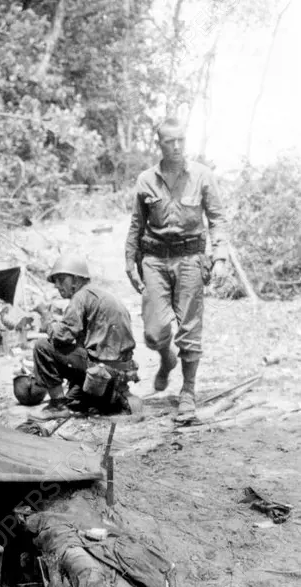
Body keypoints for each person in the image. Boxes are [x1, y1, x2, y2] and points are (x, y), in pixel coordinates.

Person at [125, 119, 228, 422]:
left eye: (181, 140)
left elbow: (218, 219)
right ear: (159, 144)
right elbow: (136, 223)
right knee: (154, 332)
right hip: (154, 261)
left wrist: (220, 256)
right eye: (170, 141)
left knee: (190, 329)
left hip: (190, 259)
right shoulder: (146, 179)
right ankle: (166, 358)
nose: (177, 146)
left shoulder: (202, 176)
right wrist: (129, 260)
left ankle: (188, 392)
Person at [15, 254, 139, 416]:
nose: (58, 286)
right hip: (117, 374)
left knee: (42, 346)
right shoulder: (99, 295)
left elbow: (61, 337)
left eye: (61, 279)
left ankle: (57, 406)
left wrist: (46, 317)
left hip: (102, 374)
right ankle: (105, 400)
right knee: (74, 402)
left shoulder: (81, 297)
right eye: (56, 281)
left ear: (76, 279)